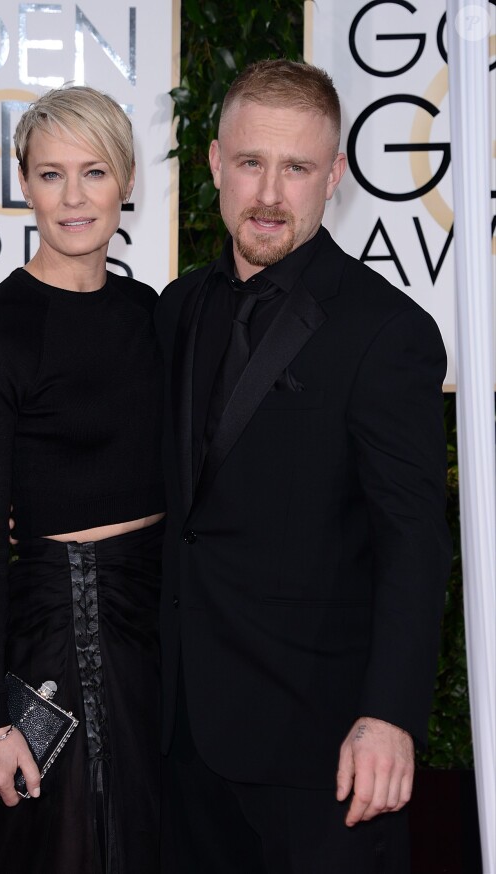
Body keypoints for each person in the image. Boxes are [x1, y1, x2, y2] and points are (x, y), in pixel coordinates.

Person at [155, 60, 452, 873]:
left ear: (336, 178)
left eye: (298, 168)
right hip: (182, 742)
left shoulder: (387, 332)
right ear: (215, 162)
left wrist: (390, 716)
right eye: (252, 163)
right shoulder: (176, 308)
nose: (270, 195)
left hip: (320, 748)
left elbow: (415, 542)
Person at [0, 85, 165, 873]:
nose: (73, 198)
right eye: (50, 175)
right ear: (25, 184)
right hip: (54, 628)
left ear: (128, 180)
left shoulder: (153, 315)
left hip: (161, 627)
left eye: (95, 171)